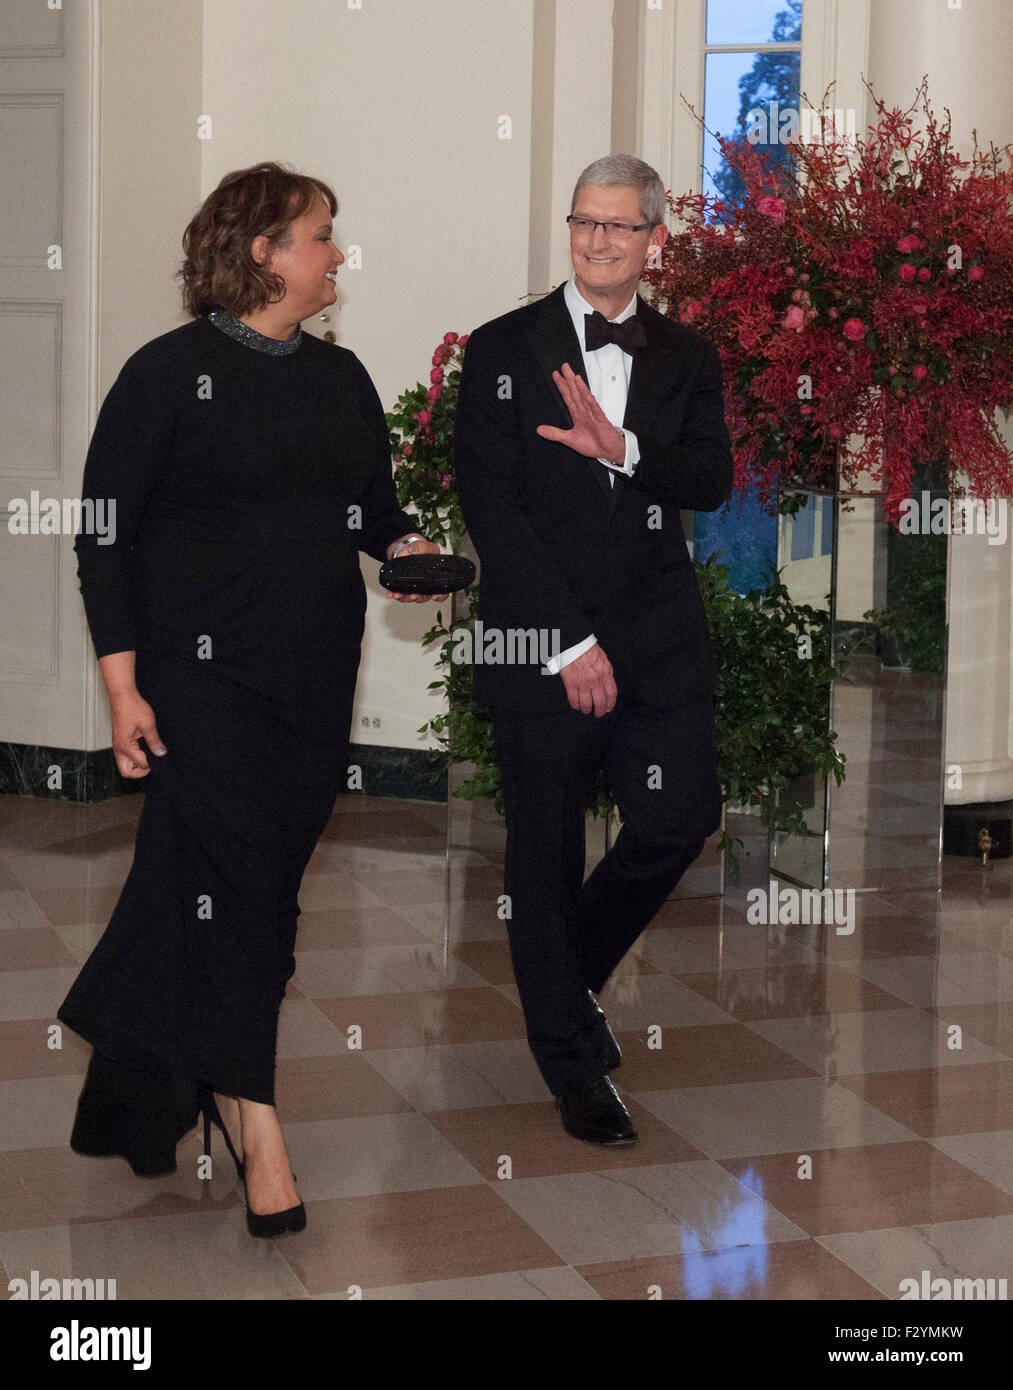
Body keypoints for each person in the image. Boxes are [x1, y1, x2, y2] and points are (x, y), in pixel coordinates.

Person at [57, 162, 444, 1236]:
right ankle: (251, 1116)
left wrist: (406, 547)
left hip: (314, 674)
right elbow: (105, 537)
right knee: (234, 878)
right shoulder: (165, 375)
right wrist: (123, 687)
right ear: (263, 250)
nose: (335, 254)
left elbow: (372, 510)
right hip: (197, 677)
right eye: (321, 235)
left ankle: (144, 1080)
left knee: (243, 886)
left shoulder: (341, 376)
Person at [455, 154, 733, 1146]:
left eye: (619, 227)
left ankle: (561, 979)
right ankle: (570, 1064)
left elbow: (707, 479)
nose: (597, 241)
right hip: (541, 635)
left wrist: (620, 449)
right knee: (541, 851)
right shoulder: (499, 349)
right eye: (583, 222)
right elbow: (491, 507)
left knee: (677, 815)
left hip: (655, 639)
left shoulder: (686, 356)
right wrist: (566, 641)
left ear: (654, 241)